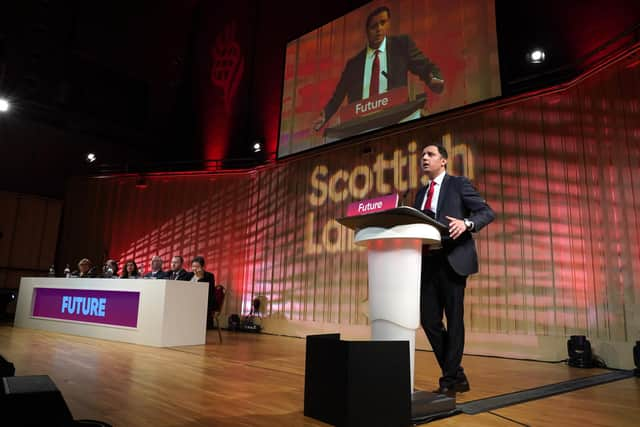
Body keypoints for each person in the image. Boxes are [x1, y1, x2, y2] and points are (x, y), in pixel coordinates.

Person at [414, 143, 495, 397]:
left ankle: (449, 378)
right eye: (423, 156)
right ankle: (457, 374)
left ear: (444, 161)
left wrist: (467, 223)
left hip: (453, 260)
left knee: (454, 319)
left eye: (430, 154)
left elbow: (486, 212)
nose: (425, 158)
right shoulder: (419, 193)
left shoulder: (458, 184)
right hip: (428, 262)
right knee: (429, 320)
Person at [313, 6, 444, 131]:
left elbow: (425, 66)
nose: (379, 29)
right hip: (361, 126)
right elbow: (337, 97)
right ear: (367, 31)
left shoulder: (401, 45)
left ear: (388, 23)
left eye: (383, 23)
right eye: (374, 26)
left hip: (396, 120)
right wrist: (325, 115)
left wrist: (434, 77)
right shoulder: (353, 64)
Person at [190, 256, 216, 328]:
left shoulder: (209, 276)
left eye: (197, 266)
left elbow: (209, 292)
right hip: (190, 300)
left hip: (203, 302)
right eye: (193, 266)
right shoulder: (189, 275)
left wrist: (200, 277)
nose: (194, 268)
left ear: (202, 267)